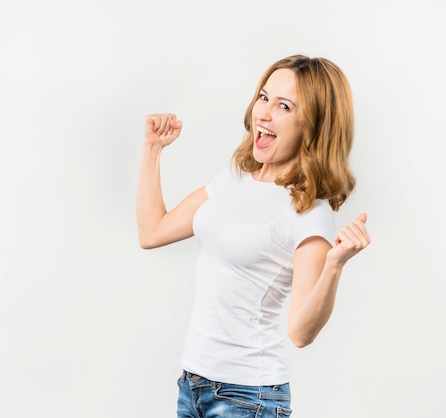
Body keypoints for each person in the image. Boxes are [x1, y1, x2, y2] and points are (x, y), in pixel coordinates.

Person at [136, 54, 371, 418]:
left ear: (313, 125)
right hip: (192, 385)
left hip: (249, 397)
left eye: (284, 106)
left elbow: (301, 333)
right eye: (264, 97)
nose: (263, 113)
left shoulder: (308, 211)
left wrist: (334, 266)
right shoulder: (233, 179)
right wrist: (152, 149)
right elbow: (152, 231)